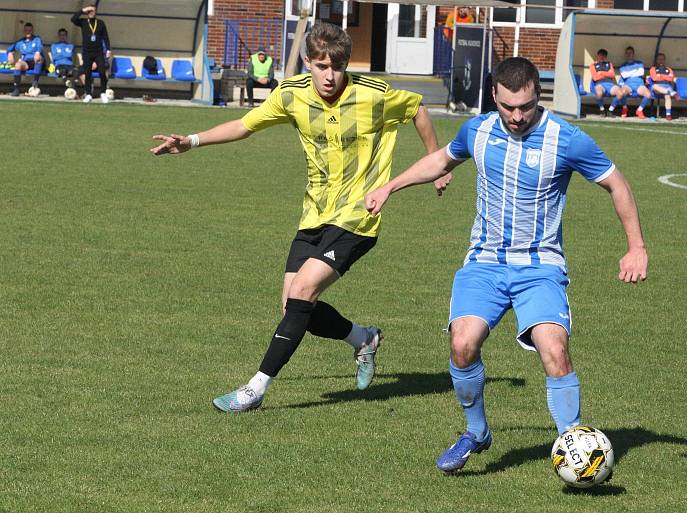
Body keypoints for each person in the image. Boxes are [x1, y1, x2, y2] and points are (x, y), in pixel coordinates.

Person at [364, 57, 648, 473]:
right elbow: (442, 160)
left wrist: (636, 246)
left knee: (554, 350)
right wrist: (391, 186)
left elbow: (616, 183)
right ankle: (476, 433)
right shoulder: (476, 130)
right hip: (484, 262)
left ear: (539, 96)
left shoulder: (566, 139)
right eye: (508, 107)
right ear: (494, 95)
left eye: (526, 107)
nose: (517, 116)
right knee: (462, 345)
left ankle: (574, 445)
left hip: (540, 267)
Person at [149, 22, 445, 413]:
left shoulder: (373, 94)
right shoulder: (291, 95)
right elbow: (245, 124)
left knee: (304, 291)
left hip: (359, 216)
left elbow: (417, 109)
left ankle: (255, 389)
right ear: (308, 62)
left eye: (337, 67)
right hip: (314, 214)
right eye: (321, 66)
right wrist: (192, 141)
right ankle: (363, 338)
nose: (329, 75)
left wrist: (436, 162)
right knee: (293, 307)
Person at [72, 4, 111, 103]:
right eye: (89, 11)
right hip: (87, 53)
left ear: (96, 12)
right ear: (87, 12)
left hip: (98, 52)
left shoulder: (101, 23)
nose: (91, 13)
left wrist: (108, 49)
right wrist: (82, 10)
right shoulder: (84, 22)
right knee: (88, 74)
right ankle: (88, 94)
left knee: (102, 73)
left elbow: (105, 37)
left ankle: (103, 93)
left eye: (93, 11)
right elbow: (73, 19)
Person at [6, 22, 44, 97]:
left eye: (30, 30)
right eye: (26, 30)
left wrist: (37, 52)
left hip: (37, 62)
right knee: (17, 65)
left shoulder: (37, 39)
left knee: (39, 58)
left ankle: (35, 82)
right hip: (27, 62)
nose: (28, 32)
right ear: (24, 31)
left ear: (32, 31)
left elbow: (40, 48)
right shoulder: (20, 42)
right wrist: (9, 53)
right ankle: (16, 89)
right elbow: (10, 49)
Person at [618, 46, 652, 119]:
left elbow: (641, 73)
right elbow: (624, 75)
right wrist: (635, 71)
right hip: (628, 85)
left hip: (639, 85)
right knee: (621, 92)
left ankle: (639, 110)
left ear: (633, 54)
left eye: (630, 53)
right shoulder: (623, 65)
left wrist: (629, 73)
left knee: (648, 94)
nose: (629, 54)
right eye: (627, 53)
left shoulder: (639, 63)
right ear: (625, 54)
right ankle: (624, 108)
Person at [590, 48, 624, 115]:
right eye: (600, 55)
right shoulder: (593, 65)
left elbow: (612, 75)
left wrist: (601, 73)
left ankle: (610, 110)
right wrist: (607, 73)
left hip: (610, 84)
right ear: (597, 56)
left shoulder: (609, 64)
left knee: (620, 93)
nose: (602, 57)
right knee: (599, 93)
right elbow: (595, 77)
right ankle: (602, 110)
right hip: (599, 84)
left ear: (606, 57)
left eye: (604, 55)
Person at [649, 52, 679, 121]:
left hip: (667, 86)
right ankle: (670, 92)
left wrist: (660, 76)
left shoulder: (669, 69)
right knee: (654, 86)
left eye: (662, 59)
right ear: (656, 60)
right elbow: (654, 78)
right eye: (659, 59)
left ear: (664, 60)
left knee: (667, 95)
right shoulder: (653, 69)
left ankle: (668, 115)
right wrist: (665, 77)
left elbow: (671, 78)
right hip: (657, 87)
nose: (661, 61)